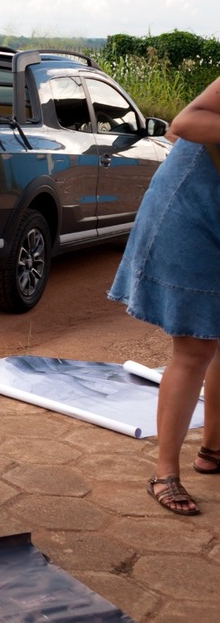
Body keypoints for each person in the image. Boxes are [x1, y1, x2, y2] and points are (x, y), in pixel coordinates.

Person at [108, 76, 220, 516]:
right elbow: (185, 121)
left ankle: (212, 451)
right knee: (196, 345)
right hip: (189, 212)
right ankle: (164, 473)